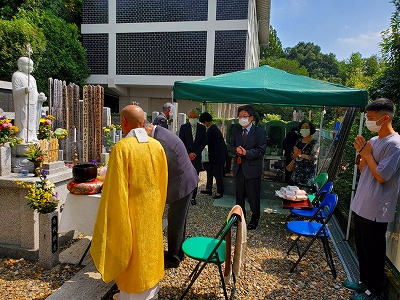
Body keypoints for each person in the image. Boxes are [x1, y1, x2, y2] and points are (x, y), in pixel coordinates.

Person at [91, 105, 168, 300]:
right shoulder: (156, 146)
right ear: (143, 122)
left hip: (132, 214)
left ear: (123, 122)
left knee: (133, 255)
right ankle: (150, 292)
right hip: (151, 212)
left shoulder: (122, 148)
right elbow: (163, 182)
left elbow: (116, 191)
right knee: (149, 251)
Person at [343, 98, 400, 300]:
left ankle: (374, 291)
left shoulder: (395, 145)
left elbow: (382, 176)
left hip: (377, 209)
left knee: (374, 253)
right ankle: (364, 283)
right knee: (363, 248)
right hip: (361, 204)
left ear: (385, 118)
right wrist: (362, 156)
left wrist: (367, 155)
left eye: (371, 118)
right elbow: (363, 170)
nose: (368, 121)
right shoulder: (374, 141)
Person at [143, 121, 199, 269]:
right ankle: (179, 253)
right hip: (184, 178)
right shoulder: (159, 131)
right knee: (179, 221)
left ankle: (173, 258)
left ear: (145, 128)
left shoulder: (161, 141)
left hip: (182, 183)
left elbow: (158, 168)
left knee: (175, 221)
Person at [229, 105, 266, 230]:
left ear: (251, 118)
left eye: (245, 116)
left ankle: (254, 220)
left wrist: (246, 153)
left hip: (252, 170)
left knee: (253, 197)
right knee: (239, 196)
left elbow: (261, 151)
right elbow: (231, 146)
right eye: (240, 117)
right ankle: (239, 218)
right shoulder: (235, 131)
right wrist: (236, 150)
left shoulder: (260, 132)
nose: (242, 119)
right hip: (239, 168)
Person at [12, 57, 47, 142]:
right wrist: (24, 90)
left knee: (32, 120)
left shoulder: (32, 78)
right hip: (23, 104)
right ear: (20, 65)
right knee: (24, 120)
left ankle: (32, 135)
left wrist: (40, 97)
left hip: (33, 103)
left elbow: (35, 92)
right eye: (28, 65)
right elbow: (15, 92)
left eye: (32, 65)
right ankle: (22, 136)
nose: (30, 67)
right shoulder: (17, 75)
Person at [179, 109, 207, 205]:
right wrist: (188, 153)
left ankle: (193, 197)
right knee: (185, 176)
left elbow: (204, 141)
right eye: (190, 117)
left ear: (197, 117)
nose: (191, 118)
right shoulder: (184, 127)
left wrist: (195, 153)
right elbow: (181, 141)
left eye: (193, 117)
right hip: (186, 157)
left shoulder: (202, 128)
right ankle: (184, 195)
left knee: (195, 176)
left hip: (197, 157)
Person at [198, 112, 228, 199]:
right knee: (209, 170)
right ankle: (208, 188)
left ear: (206, 121)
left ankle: (220, 191)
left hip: (217, 156)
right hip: (214, 154)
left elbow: (206, 141)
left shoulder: (212, 130)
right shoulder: (213, 128)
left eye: (203, 122)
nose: (204, 124)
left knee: (217, 174)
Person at [290, 120, 319, 188]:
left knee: (305, 195)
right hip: (296, 173)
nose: (304, 129)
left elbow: (314, 157)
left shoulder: (314, 142)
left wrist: (300, 155)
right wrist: (295, 154)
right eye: (302, 127)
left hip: (307, 174)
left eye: (306, 127)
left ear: (311, 129)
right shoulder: (298, 141)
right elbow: (292, 155)